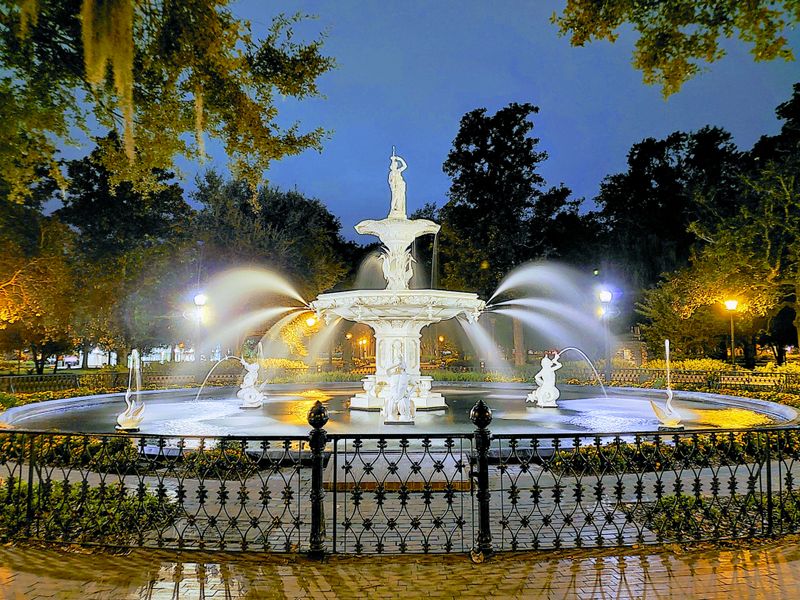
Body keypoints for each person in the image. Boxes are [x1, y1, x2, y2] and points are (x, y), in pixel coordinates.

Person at [388, 151, 408, 218]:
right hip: (395, 187)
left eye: (396, 165)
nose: (395, 166)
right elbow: (390, 181)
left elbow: (405, 166)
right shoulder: (391, 173)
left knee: (400, 198)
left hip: (401, 185)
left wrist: (399, 159)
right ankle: (393, 209)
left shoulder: (398, 171)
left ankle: (399, 210)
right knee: (394, 198)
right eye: (394, 165)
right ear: (391, 166)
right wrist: (392, 184)